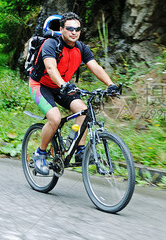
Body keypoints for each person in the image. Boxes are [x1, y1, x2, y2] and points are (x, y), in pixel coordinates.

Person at [29, 12, 119, 175]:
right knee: (55, 119)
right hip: (40, 86)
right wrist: (63, 84)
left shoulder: (81, 48)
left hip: (62, 87)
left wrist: (111, 85)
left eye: (77, 29)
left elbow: (96, 67)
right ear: (61, 29)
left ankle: (79, 149)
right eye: (70, 28)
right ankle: (39, 154)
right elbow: (51, 68)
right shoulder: (51, 44)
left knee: (84, 112)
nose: (74, 32)